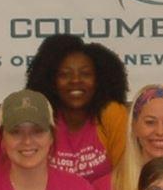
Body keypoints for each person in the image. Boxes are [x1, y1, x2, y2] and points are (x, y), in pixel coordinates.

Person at [25, 34, 129, 181]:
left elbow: (126, 177)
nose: (75, 80)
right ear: (51, 80)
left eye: (85, 74)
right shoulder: (40, 116)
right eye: (64, 74)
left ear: (99, 80)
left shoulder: (112, 114)